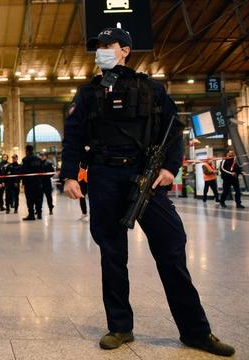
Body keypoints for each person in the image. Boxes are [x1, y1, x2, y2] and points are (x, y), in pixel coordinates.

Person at [61, 27, 234, 356]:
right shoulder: (86, 94)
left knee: (171, 250)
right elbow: (72, 137)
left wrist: (171, 168)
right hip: (103, 177)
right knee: (112, 256)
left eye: (107, 46)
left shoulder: (151, 88)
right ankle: (120, 327)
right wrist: (70, 175)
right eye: (97, 47)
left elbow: (174, 130)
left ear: (125, 50)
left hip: (146, 176)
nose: (101, 51)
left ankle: (195, 331)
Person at [21, 145, 43, 220]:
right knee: (38, 198)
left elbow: (23, 171)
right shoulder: (38, 159)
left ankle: (31, 215)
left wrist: (23, 182)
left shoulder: (25, 159)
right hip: (38, 182)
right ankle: (39, 214)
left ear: (27, 151)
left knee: (30, 199)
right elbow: (41, 170)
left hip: (29, 183)